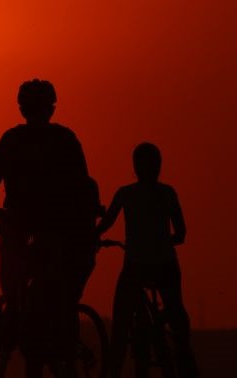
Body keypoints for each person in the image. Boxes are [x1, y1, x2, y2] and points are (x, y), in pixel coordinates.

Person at [0, 79, 100, 377]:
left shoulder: (16, 140)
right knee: (45, 292)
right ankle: (52, 337)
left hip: (44, 231)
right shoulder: (63, 139)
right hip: (39, 229)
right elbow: (84, 185)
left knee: (41, 291)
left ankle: (58, 344)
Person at [97, 142, 199, 378]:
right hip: (166, 265)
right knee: (176, 313)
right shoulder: (168, 193)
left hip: (135, 266)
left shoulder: (125, 194)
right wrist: (164, 240)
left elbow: (106, 224)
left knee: (121, 322)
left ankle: (113, 371)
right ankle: (185, 358)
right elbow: (181, 233)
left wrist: (91, 237)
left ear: (135, 167)